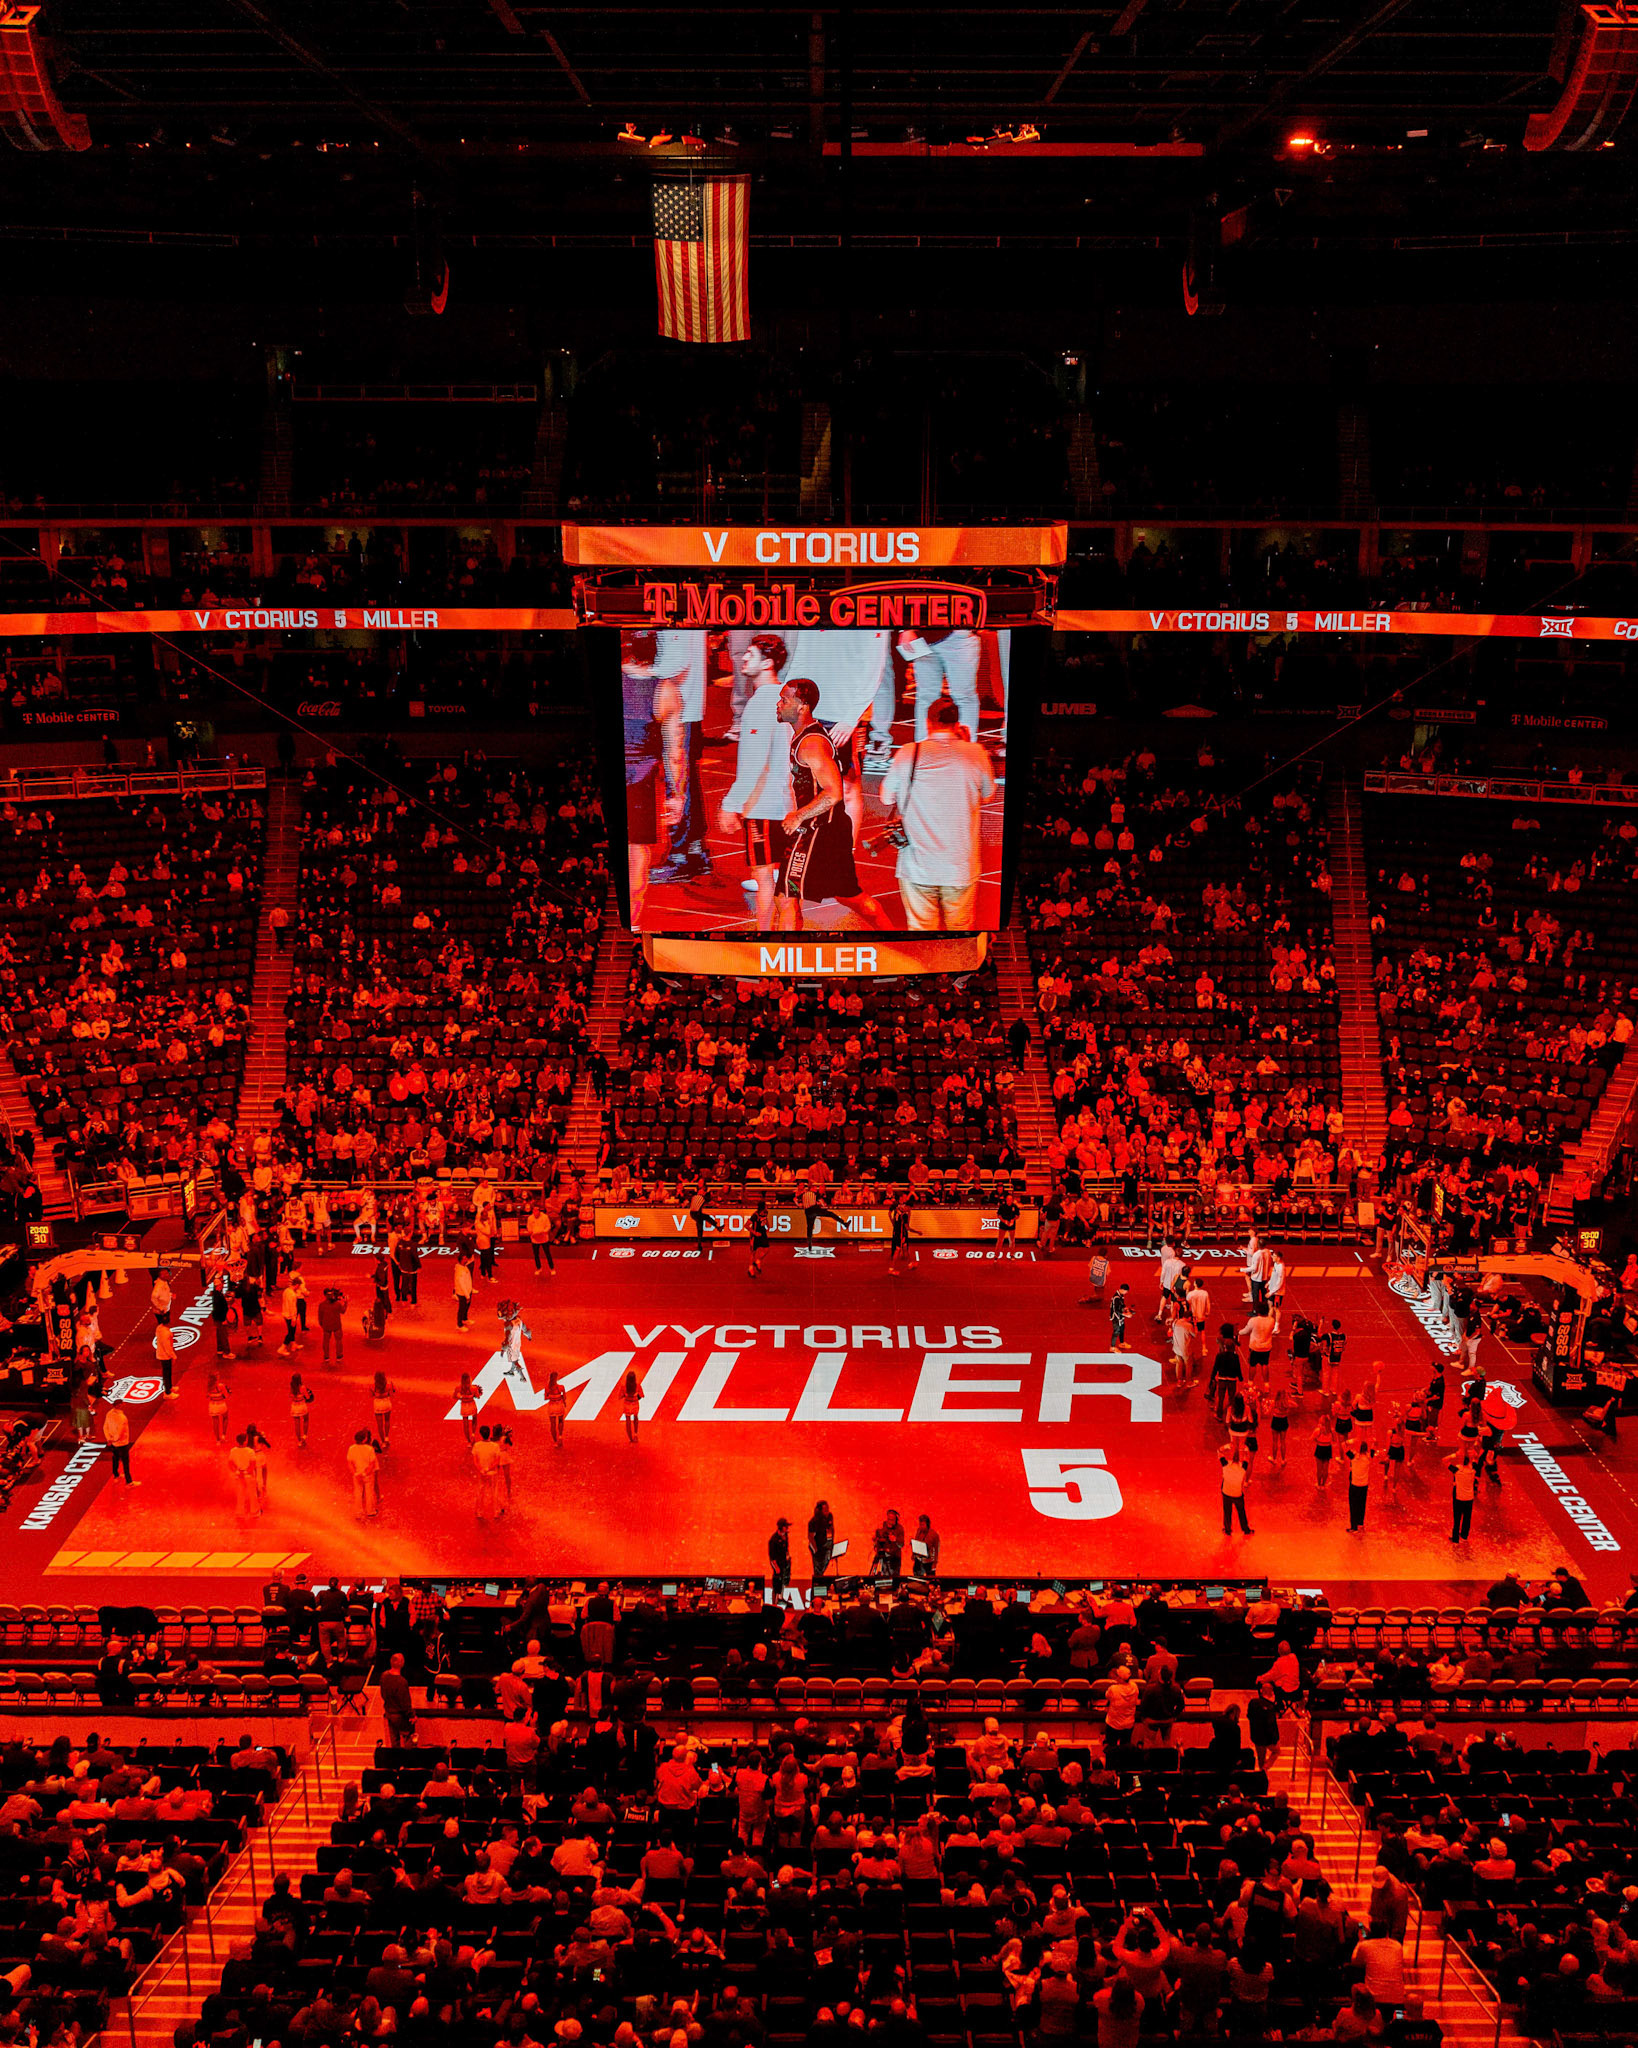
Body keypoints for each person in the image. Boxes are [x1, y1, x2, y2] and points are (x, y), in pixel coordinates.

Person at [774, 675, 892, 932]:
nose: (779, 704)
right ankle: (890, 932)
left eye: (784, 700)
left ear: (802, 706)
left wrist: (798, 816)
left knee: (787, 896)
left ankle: (785, 962)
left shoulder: (812, 744)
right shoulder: (809, 736)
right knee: (848, 895)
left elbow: (833, 793)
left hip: (815, 833)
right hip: (830, 831)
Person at [878, 695, 997, 931]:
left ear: (928, 722)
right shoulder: (976, 753)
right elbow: (988, 795)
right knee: (961, 930)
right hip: (960, 866)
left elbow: (885, 797)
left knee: (921, 931)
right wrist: (967, 744)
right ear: (957, 723)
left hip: (917, 865)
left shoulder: (908, 753)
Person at [718, 633, 796, 932]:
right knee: (787, 889)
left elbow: (754, 763)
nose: (743, 658)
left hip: (763, 809)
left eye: (751, 654)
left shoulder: (760, 704)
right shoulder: (784, 699)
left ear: (769, 662)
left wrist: (730, 805)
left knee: (764, 880)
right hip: (787, 806)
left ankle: (765, 939)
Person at [622, 629, 686, 929]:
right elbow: (675, 752)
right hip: (640, 782)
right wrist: (677, 796)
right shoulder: (665, 691)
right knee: (636, 855)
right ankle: (632, 922)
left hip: (635, 780)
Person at [380, 1651, 416, 1747]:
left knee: (394, 1740)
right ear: (402, 1663)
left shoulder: (384, 1676)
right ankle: (408, 1759)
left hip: (389, 1713)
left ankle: (396, 1759)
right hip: (400, 1716)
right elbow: (405, 1703)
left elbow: (383, 1694)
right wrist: (412, 1715)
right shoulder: (402, 1682)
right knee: (408, 1737)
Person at [347, 1429, 380, 1521]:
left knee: (358, 1493)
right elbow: (372, 1463)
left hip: (357, 1474)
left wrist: (355, 1473)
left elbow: (350, 1463)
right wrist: (366, 1473)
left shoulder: (351, 1448)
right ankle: (370, 1511)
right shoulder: (369, 1449)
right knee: (369, 1492)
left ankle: (358, 1512)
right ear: (365, 1439)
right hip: (367, 1475)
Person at [1219, 1444, 1253, 1536]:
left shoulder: (1225, 1466)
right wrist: (1246, 1450)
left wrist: (1225, 1447)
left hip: (1226, 1492)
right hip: (1237, 1494)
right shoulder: (1242, 1468)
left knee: (1227, 1511)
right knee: (1241, 1512)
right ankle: (1246, 1530)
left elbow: (1219, 1452)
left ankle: (1227, 1530)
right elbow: (1247, 1459)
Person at [1449, 1447, 1477, 1543]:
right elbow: (1476, 1459)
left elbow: (1444, 1460)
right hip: (1469, 1498)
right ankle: (1464, 1535)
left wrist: (1455, 1455)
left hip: (1459, 1497)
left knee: (1457, 1518)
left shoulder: (1457, 1471)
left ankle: (1455, 1537)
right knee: (1467, 1517)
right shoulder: (1473, 1471)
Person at [103, 1401, 135, 1486]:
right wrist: (114, 1439)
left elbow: (105, 1427)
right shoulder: (122, 1417)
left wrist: (109, 1439)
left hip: (113, 1443)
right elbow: (120, 1432)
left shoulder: (109, 1413)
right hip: (122, 1443)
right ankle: (129, 1481)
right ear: (119, 1405)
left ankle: (116, 1475)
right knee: (125, 1462)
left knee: (115, 1458)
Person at [1348, 1438, 1374, 1532]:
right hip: (1364, 1485)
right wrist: (1373, 1441)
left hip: (1354, 1484)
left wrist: (1352, 1441)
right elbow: (1374, 1446)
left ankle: (1353, 1527)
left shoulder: (1353, 1457)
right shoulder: (1368, 1457)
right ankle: (1361, 1524)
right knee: (1362, 1505)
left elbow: (1343, 1445)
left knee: (1353, 1505)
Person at [317, 1286, 347, 1364]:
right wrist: (346, 1302)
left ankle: (326, 1357)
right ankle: (339, 1356)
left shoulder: (322, 1305)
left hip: (326, 1326)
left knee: (326, 1342)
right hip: (336, 1325)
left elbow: (320, 1317)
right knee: (338, 1341)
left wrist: (323, 1325)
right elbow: (343, 1311)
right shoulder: (337, 1304)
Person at [809, 1499, 835, 1581]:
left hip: (826, 1545)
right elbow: (810, 1537)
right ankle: (817, 1586)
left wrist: (831, 1543)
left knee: (823, 1567)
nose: (827, 1511)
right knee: (818, 1572)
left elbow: (831, 1529)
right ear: (820, 1511)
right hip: (817, 1547)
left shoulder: (830, 1516)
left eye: (828, 1509)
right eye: (825, 1510)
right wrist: (816, 1551)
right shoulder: (813, 1522)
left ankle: (819, 1581)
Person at [747, 1198, 772, 1277]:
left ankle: (757, 1261)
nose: (767, 1207)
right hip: (755, 1236)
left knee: (766, 1249)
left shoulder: (765, 1213)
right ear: (762, 1207)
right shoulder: (755, 1216)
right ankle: (750, 1269)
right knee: (753, 1253)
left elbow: (765, 1219)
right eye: (766, 1206)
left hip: (763, 1233)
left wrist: (768, 1226)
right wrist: (754, 1233)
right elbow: (746, 1225)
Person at [619, 1365, 643, 1444]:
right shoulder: (637, 1385)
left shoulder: (624, 1386)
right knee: (635, 1417)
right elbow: (641, 1395)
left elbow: (620, 1396)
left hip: (627, 1404)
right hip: (635, 1404)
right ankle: (636, 1434)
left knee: (628, 1420)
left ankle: (630, 1438)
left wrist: (625, 1395)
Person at [913, 1512, 940, 1580]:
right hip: (919, 1560)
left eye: (923, 1525)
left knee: (930, 1580)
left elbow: (936, 1550)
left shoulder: (934, 1535)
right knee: (917, 1579)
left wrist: (934, 1563)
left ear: (927, 1524)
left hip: (929, 1561)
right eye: (920, 1524)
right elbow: (916, 1541)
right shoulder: (919, 1531)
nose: (921, 1526)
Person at [290, 1372, 314, 1449]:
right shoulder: (302, 1387)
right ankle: (304, 1436)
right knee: (306, 1420)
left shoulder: (292, 1387)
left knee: (297, 1424)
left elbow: (290, 1396)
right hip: (302, 1405)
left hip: (294, 1406)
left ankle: (299, 1440)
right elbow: (307, 1397)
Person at [768, 1518, 792, 1596]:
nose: (787, 1528)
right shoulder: (773, 1540)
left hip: (785, 1562)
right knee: (777, 1583)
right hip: (778, 1564)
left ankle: (781, 1598)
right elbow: (772, 1557)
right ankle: (775, 1601)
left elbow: (786, 1549)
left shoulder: (785, 1535)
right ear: (781, 1527)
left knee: (784, 1581)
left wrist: (788, 1558)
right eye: (786, 1526)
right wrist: (776, 1568)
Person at [372, 1371, 395, 1446]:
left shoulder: (372, 1386)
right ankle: (387, 1437)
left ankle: (382, 1442)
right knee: (387, 1420)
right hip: (386, 1404)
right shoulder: (388, 1385)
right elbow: (392, 1393)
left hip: (378, 1405)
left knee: (380, 1424)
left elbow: (371, 1395)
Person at [207, 1372, 230, 1445]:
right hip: (221, 1404)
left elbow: (207, 1396)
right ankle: (223, 1435)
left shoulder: (208, 1386)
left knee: (215, 1423)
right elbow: (226, 1395)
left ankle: (218, 1440)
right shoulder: (221, 1386)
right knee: (225, 1418)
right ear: (216, 1378)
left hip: (213, 1406)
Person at [546, 1371, 567, 1447]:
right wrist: (560, 1398)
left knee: (552, 1424)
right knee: (561, 1421)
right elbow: (564, 1397)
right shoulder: (561, 1387)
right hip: (559, 1406)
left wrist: (552, 1396)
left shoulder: (547, 1388)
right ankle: (560, 1436)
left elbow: (546, 1397)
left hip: (552, 1406)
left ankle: (555, 1442)